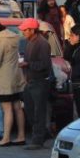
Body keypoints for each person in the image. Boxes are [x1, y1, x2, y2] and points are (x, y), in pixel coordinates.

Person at [0, 19, 26, 147]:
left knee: (7, 108)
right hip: (16, 76)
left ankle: (6, 138)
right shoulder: (13, 36)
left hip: (4, 78)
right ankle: (21, 136)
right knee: (18, 107)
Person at [19, 18, 52, 150]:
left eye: (25, 30)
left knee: (38, 112)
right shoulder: (29, 42)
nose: (23, 33)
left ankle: (38, 139)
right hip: (30, 81)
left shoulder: (42, 44)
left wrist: (28, 64)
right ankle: (43, 133)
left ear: (32, 30)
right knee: (30, 110)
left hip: (39, 81)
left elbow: (44, 65)